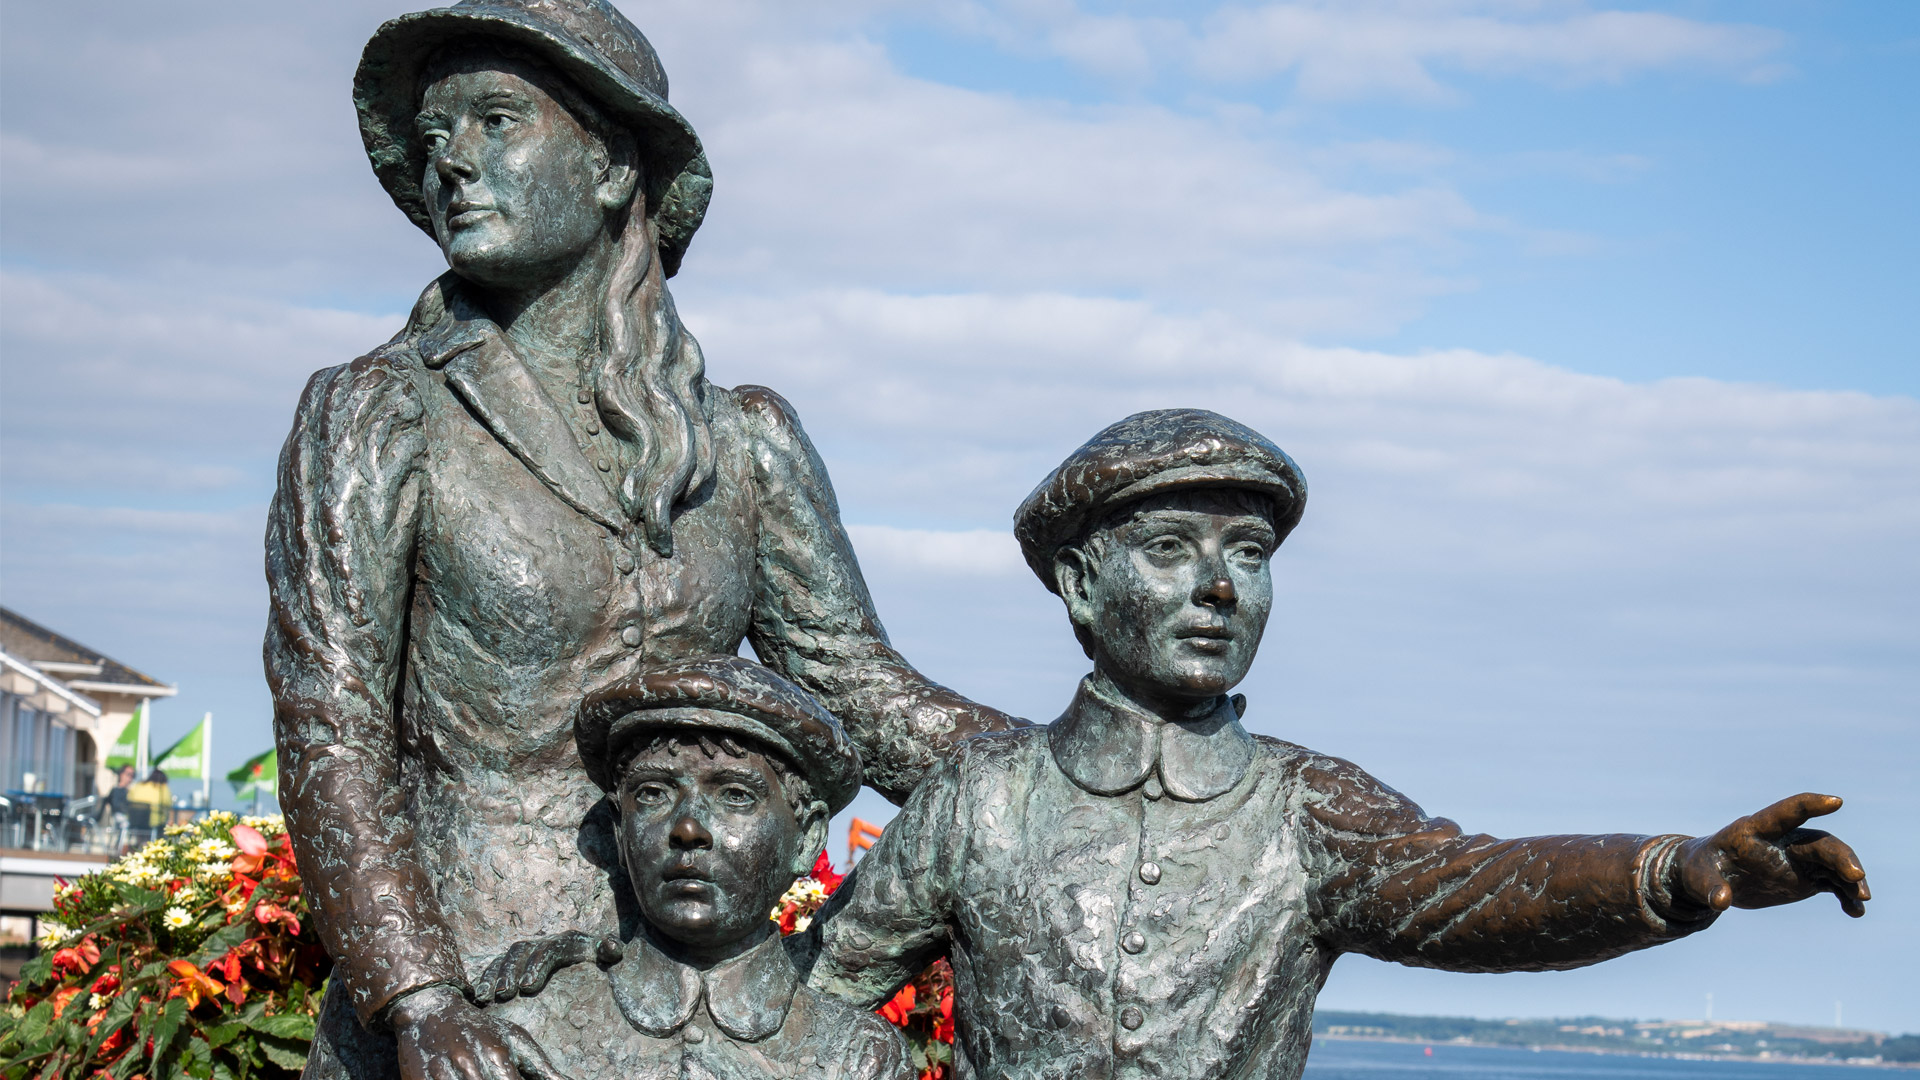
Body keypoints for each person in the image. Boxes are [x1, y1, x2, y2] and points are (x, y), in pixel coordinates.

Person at [267, 2, 1014, 1077]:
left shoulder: (743, 442)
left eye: (494, 121)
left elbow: (860, 691)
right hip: (465, 1016)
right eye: (434, 142)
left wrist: (1070, 772)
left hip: (699, 1022)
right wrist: (418, 997)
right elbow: (330, 730)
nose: (454, 167)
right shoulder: (376, 416)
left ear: (615, 165)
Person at [806, 409, 1873, 1080]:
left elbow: (1478, 890)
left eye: (1250, 554)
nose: (1221, 586)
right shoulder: (978, 802)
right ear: (1082, 586)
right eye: (1172, 550)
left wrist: (1684, 873)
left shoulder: (1306, 807)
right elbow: (827, 1007)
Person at [461, 656, 910, 1079]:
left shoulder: (857, 1059)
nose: (688, 828)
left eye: (735, 795)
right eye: (653, 793)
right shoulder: (526, 1025)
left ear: (808, 837)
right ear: (619, 830)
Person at [124, 769, 171, 842]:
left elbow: (128, 799)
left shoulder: (139, 785)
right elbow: (168, 804)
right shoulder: (163, 788)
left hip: (133, 820)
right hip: (152, 822)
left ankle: (140, 843)